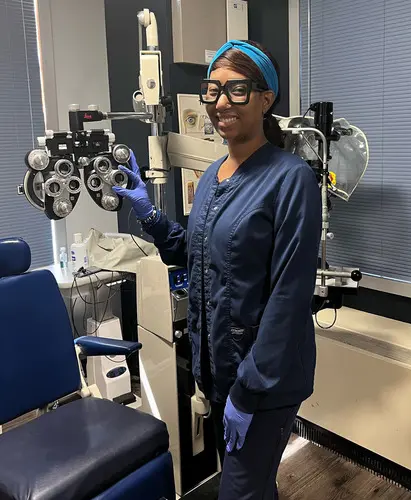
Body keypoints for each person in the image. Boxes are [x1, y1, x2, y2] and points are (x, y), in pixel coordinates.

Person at [114, 40, 321, 500]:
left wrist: (248, 392)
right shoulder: (211, 177)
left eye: (237, 90)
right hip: (220, 369)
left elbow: (288, 298)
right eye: (213, 90)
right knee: (250, 484)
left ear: (266, 99)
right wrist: (149, 215)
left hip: (266, 380)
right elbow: (197, 255)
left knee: (240, 490)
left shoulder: (291, 180)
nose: (220, 102)